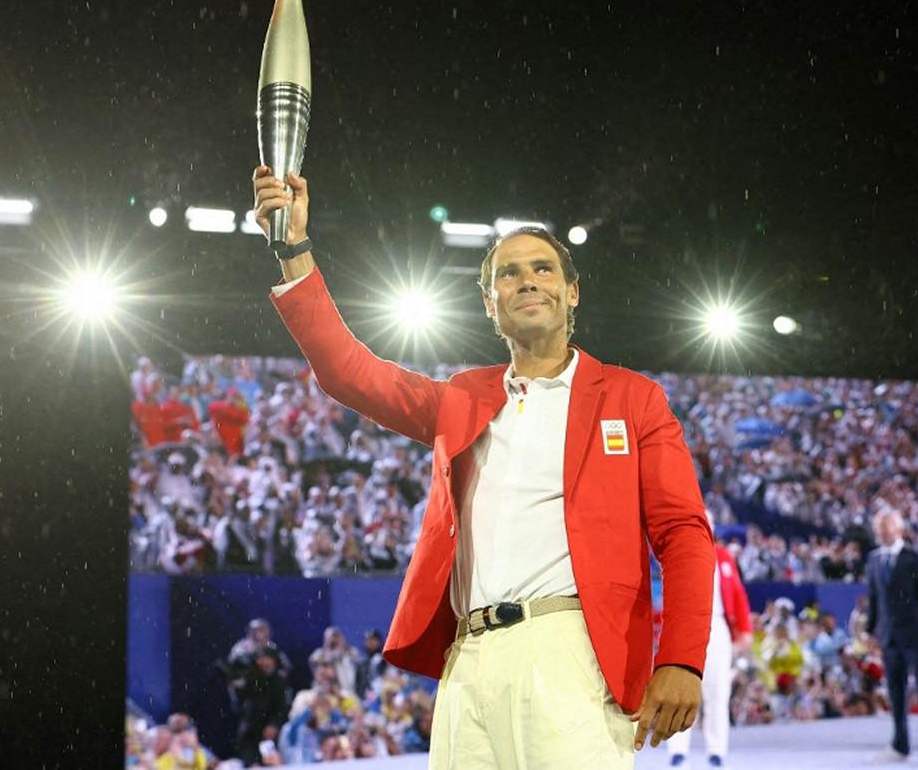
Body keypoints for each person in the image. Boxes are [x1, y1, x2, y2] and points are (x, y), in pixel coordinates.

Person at [252, 166, 715, 768]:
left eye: (543, 268)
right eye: (508, 273)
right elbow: (349, 373)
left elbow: (683, 533)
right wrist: (293, 248)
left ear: (572, 292)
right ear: (489, 305)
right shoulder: (461, 398)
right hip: (468, 660)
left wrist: (681, 659)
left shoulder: (632, 399)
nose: (528, 281)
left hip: (572, 653)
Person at [665, 510, 752, 768]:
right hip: (687, 625)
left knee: (718, 690)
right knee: (680, 688)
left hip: (717, 625)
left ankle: (716, 750)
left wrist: (744, 629)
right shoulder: (678, 554)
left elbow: (738, 594)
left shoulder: (723, 557)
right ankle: (677, 749)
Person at [866, 507, 918, 768]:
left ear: (899, 528)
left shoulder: (914, 558)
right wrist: (870, 632)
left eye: (886, 526)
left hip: (917, 636)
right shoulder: (874, 560)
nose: (881, 531)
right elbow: (874, 600)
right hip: (889, 638)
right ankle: (900, 745)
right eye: (878, 526)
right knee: (895, 693)